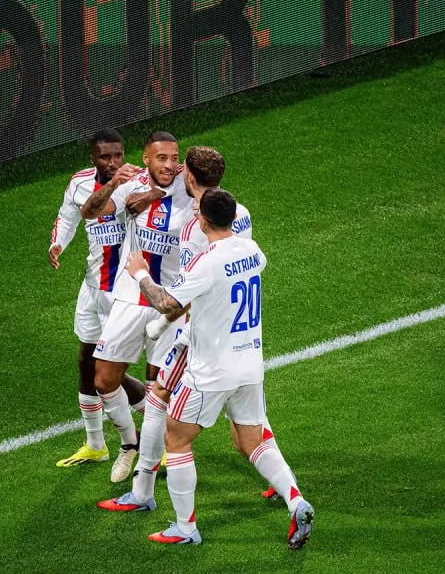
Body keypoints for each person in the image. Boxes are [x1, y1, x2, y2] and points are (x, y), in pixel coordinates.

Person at [97, 146, 287, 511]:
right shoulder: (238, 212)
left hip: (199, 332)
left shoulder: (193, 228)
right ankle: (284, 485)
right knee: (249, 418)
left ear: (188, 175)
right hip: (240, 331)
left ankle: (146, 495)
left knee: (160, 403)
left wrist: (148, 290)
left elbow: (181, 296)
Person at [123, 188, 314, 549]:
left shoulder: (205, 263)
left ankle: (185, 528)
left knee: (176, 439)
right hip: (250, 366)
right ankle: (295, 501)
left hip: (210, 371)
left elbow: (167, 303)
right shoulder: (252, 250)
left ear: (202, 220)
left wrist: (140, 274)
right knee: (252, 441)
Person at [79, 132, 194, 482]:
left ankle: (154, 462)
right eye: (161, 158)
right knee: (103, 380)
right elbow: (90, 211)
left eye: (174, 157)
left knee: (160, 391)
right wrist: (114, 183)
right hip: (129, 298)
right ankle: (130, 443)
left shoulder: (188, 186)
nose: (169, 164)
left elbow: (211, 173)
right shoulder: (130, 182)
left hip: (169, 304)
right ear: (146, 158)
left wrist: (157, 194)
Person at [50, 129, 148, 467]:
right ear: (93, 158)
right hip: (92, 285)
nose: (113, 162)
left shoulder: (137, 182)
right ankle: (95, 444)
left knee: (109, 374)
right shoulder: (80, 183)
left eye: (118, 155)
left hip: (121, 291)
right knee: (85, 360)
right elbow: (69, 216)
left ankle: (155, 436)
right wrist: (57, 243)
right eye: (105, 157)